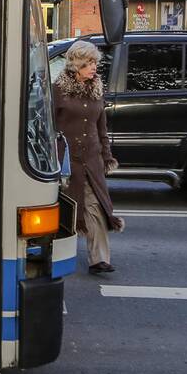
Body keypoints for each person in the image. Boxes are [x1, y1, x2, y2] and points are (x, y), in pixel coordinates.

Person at [52, 40, 123, 274]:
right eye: (89, 63)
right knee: (63, 208)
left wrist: (106, 157)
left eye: (95, 62)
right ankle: (52, 256)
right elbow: (47, 127)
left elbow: (101, 128)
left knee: (96, 207)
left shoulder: (96, 89)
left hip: (91, 159)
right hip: (65, 160)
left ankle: (99, 259)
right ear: (76, 64)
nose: (94, 67)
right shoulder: (58, 90)